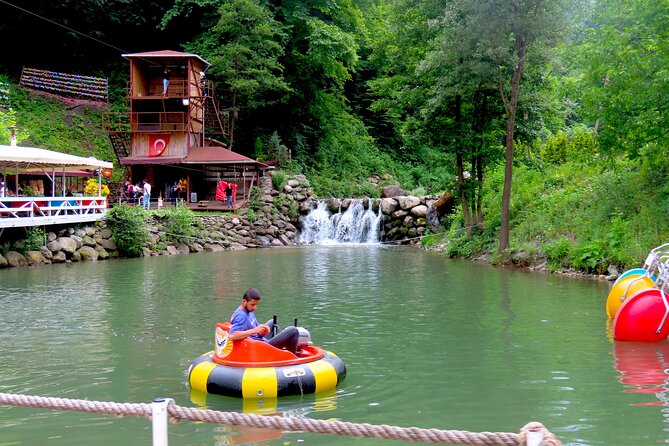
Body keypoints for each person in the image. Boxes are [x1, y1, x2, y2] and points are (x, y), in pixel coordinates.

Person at [228, 288, 300, 355]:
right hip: (260, 348)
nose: (255, 307)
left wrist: (262, 332)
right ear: (244, 301)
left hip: (260, 340)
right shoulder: (241, 316)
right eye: (253, 304)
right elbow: (232, 336)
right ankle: (292, 359)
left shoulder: (248, 311)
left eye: (256, 305)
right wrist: (254, 330)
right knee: (294, 331)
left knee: (272, 322)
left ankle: (281, 346)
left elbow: (257, 333)